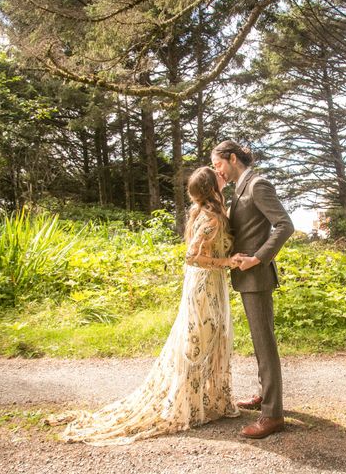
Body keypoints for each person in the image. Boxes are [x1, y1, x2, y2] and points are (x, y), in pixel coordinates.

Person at [45, 167, 240, 445]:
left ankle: (206, 401)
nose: (222, 175)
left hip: (211, 285)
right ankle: (189, 404)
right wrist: (227, 263)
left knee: (210, 340)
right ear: (211, 187)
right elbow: (191, 257)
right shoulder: (210, 218)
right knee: (199, 342)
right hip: (204, 287)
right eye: (217, 175)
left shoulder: (213, 213)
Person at [211, 140, 294, 439]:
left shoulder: (258, 184)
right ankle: (265, 395)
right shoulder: (238, 188)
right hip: (247, 278)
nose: (216, 169)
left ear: (233, 158)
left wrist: (258, 258)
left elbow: (285, 225)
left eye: (218, 164)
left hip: (257, 276)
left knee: (265, 343)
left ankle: (273, 415)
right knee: (261, 341)